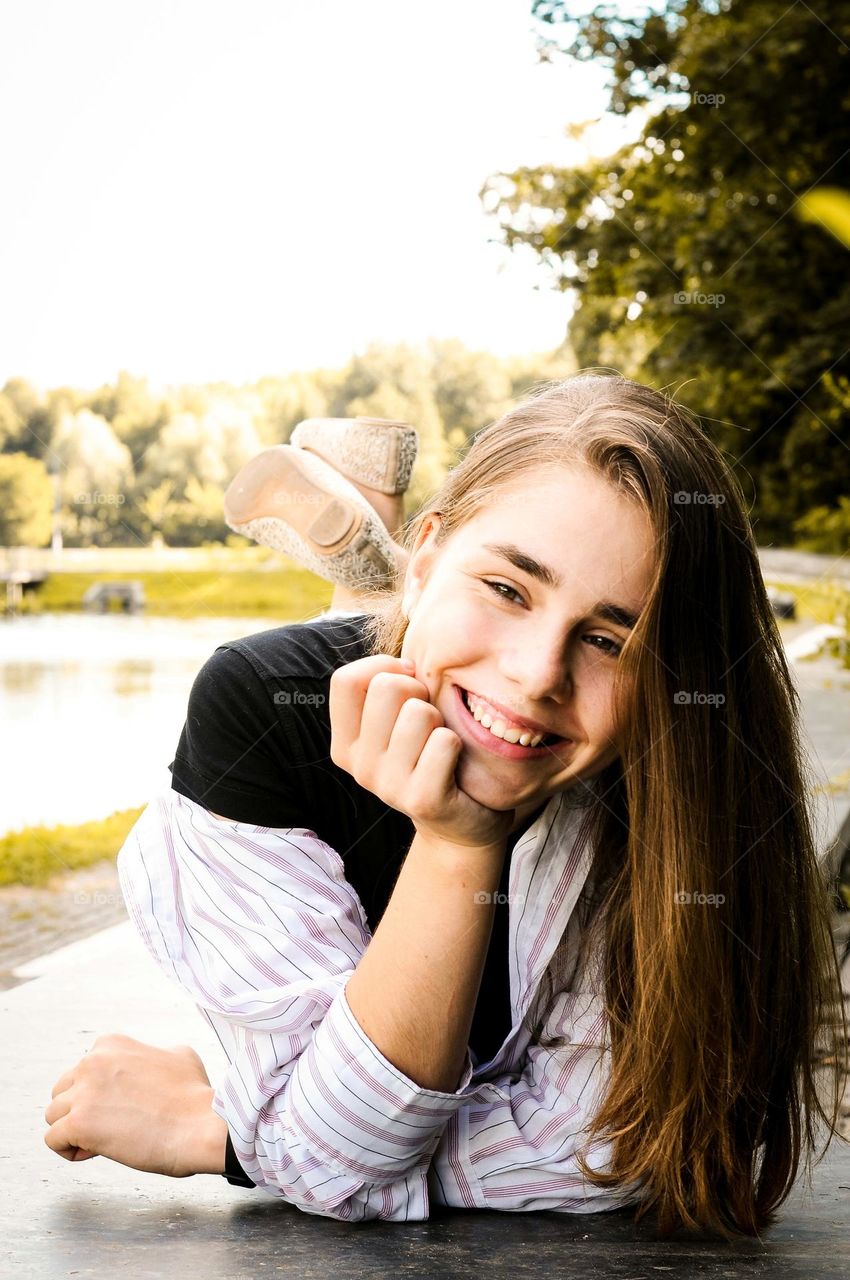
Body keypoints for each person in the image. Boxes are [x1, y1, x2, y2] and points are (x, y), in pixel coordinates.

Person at [43, 374, 847, 1239]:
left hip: (439, 634)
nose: (539, 673)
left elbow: (620, 1143)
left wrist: (227, 1132)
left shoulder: (687, 782)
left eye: (612, 638)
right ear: (428, 558)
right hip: (367, 648)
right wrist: (458, 846)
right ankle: (376, 577)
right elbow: (523, 1140)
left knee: (450, 671)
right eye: (508, 588)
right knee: (396, 666)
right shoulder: (258, 713)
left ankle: (371, 563)